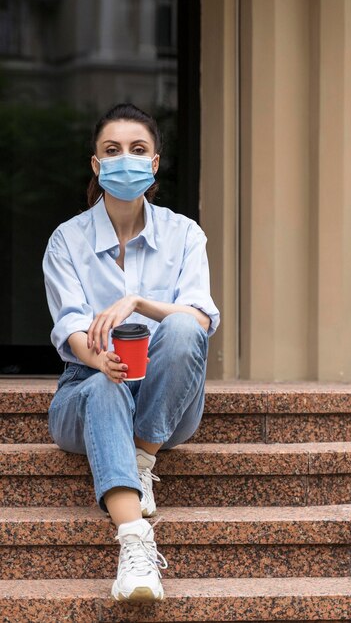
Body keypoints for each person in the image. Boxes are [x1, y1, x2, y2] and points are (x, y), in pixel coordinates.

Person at [42, 103, 220, 602]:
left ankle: (143, 453)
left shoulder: (184, 234)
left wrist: (138, 303)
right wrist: (97, 359)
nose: (126, 159)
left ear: (155, 162)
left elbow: (202, 318)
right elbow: (71, 324)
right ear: (97, 166)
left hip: (169, 401)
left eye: (138, 150)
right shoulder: (67, 240)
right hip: (85, 391)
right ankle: (135, 551)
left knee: (184, 327)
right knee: (103, 385)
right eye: (112, 151)